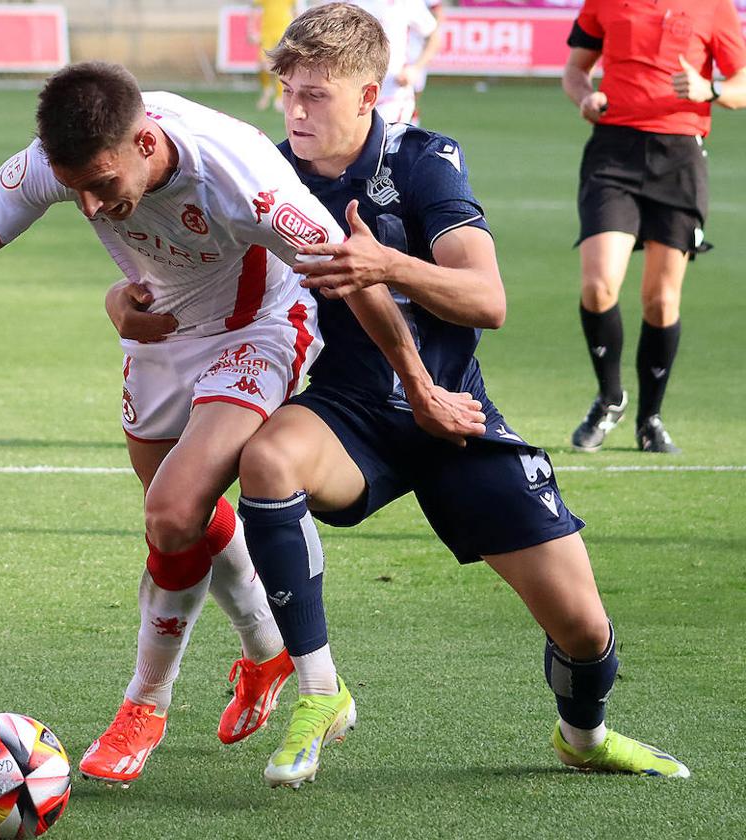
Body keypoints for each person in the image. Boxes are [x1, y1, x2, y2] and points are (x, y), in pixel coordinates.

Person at [0, 61, 478, 788]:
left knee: (170, 511)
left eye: (102, 185)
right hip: (160, 329)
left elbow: (355, 281)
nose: (93, 208)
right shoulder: (53, 162)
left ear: (144, 141)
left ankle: (145, 703)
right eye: (76, 192)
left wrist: (418, 387)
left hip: (258, 327)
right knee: (181, 519)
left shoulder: (242, 178)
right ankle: (266, 653)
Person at [112, 2, 690, 789]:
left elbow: (489, 300)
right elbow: (189, 277)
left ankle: (582, 736)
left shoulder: (423, 163)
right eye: (290, 92)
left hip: (457, 416)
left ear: (369, 96)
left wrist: (388, 265)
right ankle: (319, 692)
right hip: (349, 414)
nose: (297, 110)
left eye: (317, 95)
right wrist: (123, 303)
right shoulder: (265, 174)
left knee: (585, 629)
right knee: (270, 459)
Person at [563, 0, 746, 453]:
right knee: (599, 285)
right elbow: (574, 70)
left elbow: (742, 85)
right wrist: (585, 96)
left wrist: (710, 89)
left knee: (661, 301)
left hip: (680, 157)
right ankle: (610, 399)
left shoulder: (715, 8)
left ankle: (650, 419)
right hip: (613, 153)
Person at [252, 0, 296, 111]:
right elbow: (254, 11)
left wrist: (297, 32)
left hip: (284, 30)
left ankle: (279, 96)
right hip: (266, 32)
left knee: (281, 64)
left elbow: (295, 10)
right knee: (262, 64)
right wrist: (252, 30)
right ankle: (267, 89)